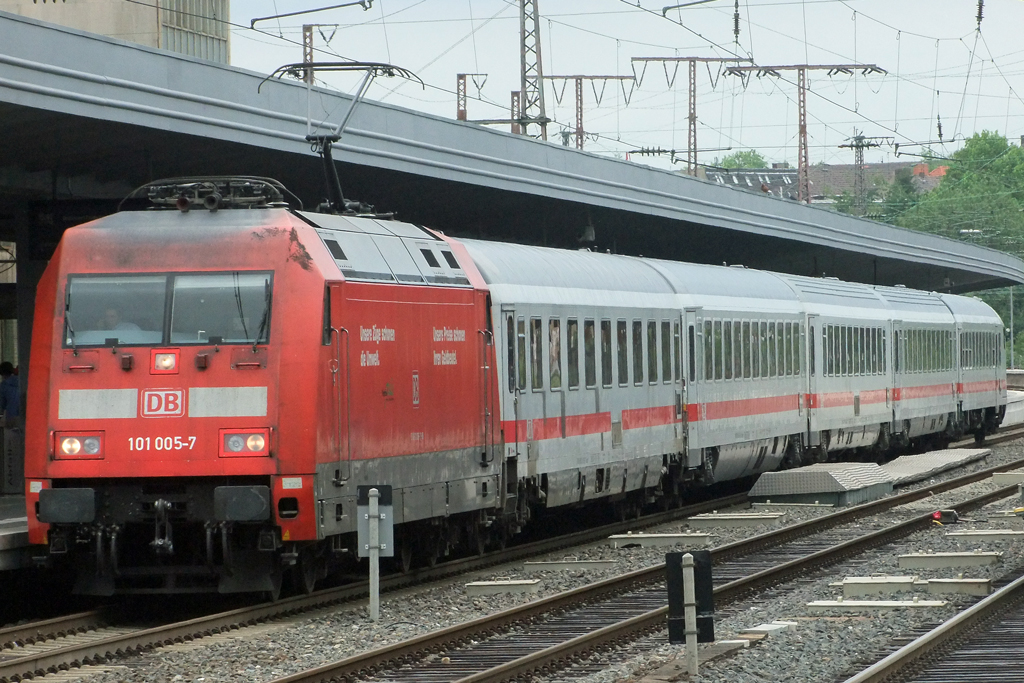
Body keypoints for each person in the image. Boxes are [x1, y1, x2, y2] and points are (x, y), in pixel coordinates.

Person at [0, 362, 18, 429]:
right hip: (24, 415)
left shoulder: (3, 385)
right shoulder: (21, 381)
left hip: (11, 415)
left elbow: (2, 404)